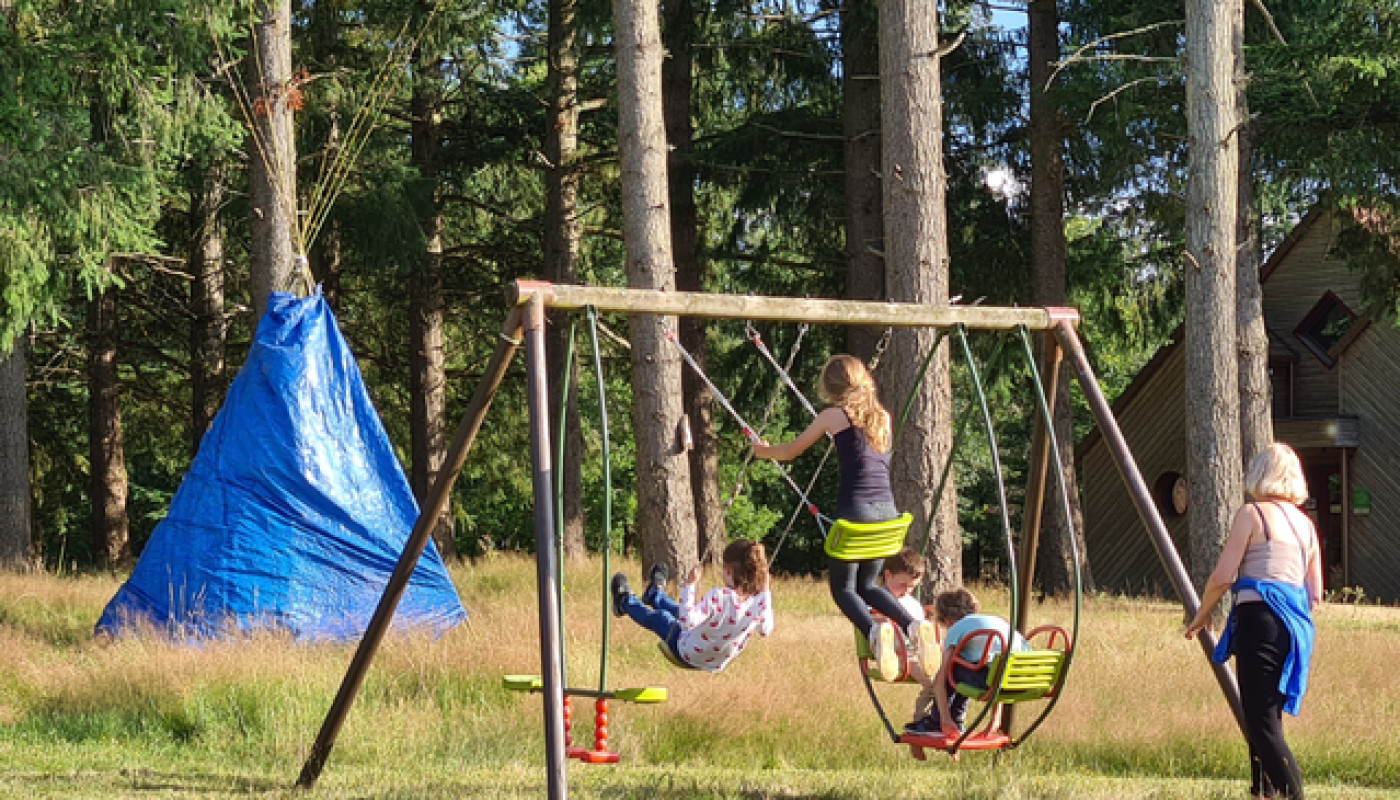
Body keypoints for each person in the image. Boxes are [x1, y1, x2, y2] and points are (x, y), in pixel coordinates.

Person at [751, 354, 938, 680]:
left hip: (856, 513)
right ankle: (912, 625)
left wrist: (762, 450)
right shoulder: (883, 418)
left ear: (830, 387)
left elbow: (791, 451)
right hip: (888, 516)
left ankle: (875, 633)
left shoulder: (833, 416)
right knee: (867, 585)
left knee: (843, 590)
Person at [1186, 443, 1322, 800]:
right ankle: (1263, 790)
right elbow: (1316, 593)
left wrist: (1202, 614)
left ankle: (1293, 794)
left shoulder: (1252, 514)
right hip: (1295, 626)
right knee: (1268, 714)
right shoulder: (1306, 526)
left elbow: (1223, 576)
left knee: (1260, 722)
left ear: (1259, 473)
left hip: (1259, 619)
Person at [611, 539, 773, 672]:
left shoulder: (720, 596)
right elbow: (765, 630)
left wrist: (690, 585)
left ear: (728, 570)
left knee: (662, 617)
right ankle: (654, 595)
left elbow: (687, 622)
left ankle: (624, 601)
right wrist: (765, 592)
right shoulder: (757, 602)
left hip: (686, 652)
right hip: (713, 661)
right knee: (677, 611)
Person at [904, 587, 1025, 740]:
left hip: (993, 681)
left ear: (947, 620)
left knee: (952, 668)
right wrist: (995, 720)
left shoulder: (958, 627)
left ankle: (937, 723)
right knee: (975, 665)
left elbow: (940, 679)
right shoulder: (1000, 623)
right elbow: (1001, 674)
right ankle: (957, 720)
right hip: (1022, 682)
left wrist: (944, 719)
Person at [878, 548, 940, 719]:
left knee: (946, 678)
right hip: (899, 653)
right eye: (903, 585)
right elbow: (868, 619)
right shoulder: (877, 598)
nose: (907, 590)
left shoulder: (912, 603)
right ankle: (926, 719)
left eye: (912, 587)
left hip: (916, 651)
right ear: (888, 575)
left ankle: (928, 719)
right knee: (936, 681)